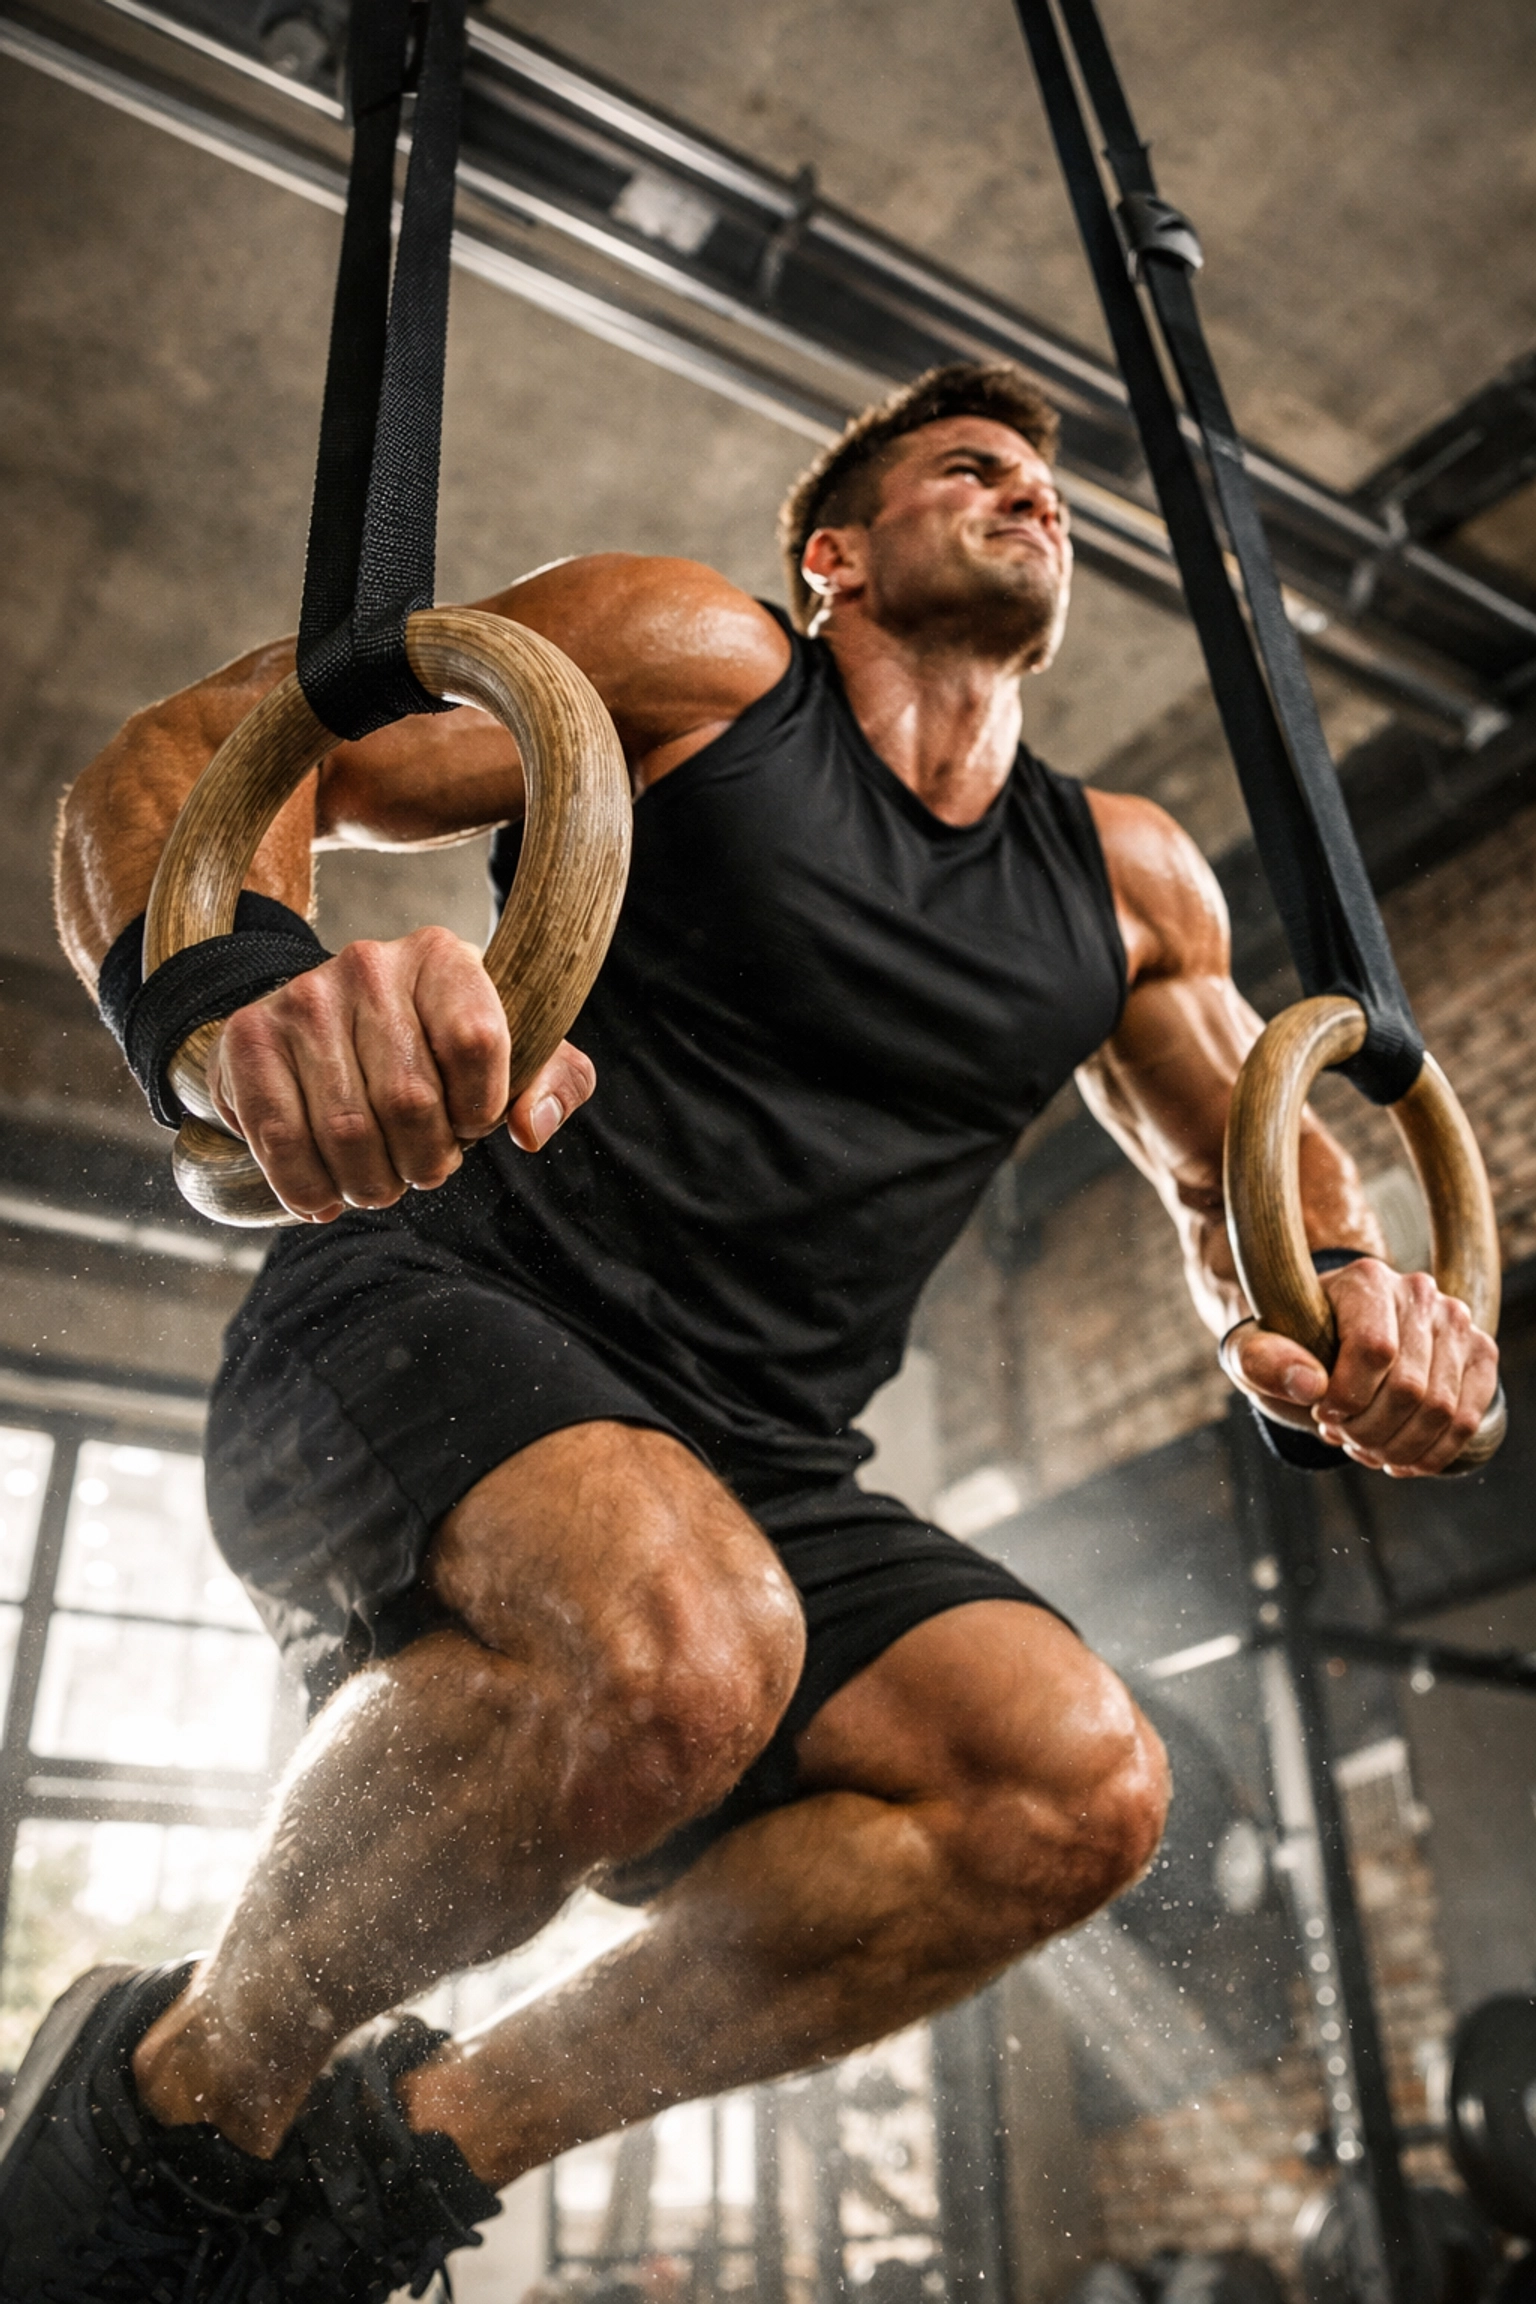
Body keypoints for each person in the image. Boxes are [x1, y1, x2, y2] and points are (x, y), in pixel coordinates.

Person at [5, 363, 1498, 2300]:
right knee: (684, 1646)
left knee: (1069, 1792)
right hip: (438, 1308)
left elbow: (1260, 1197)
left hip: (767, 1456)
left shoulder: (1127, 881)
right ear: (836, 554)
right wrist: (239, 995)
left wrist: (1372, 1328)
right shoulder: (699, 660)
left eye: (1050, 485)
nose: (1033, 497)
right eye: (971, 470)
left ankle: (391, 2173)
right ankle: (176, 2106)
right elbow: (203, 750)